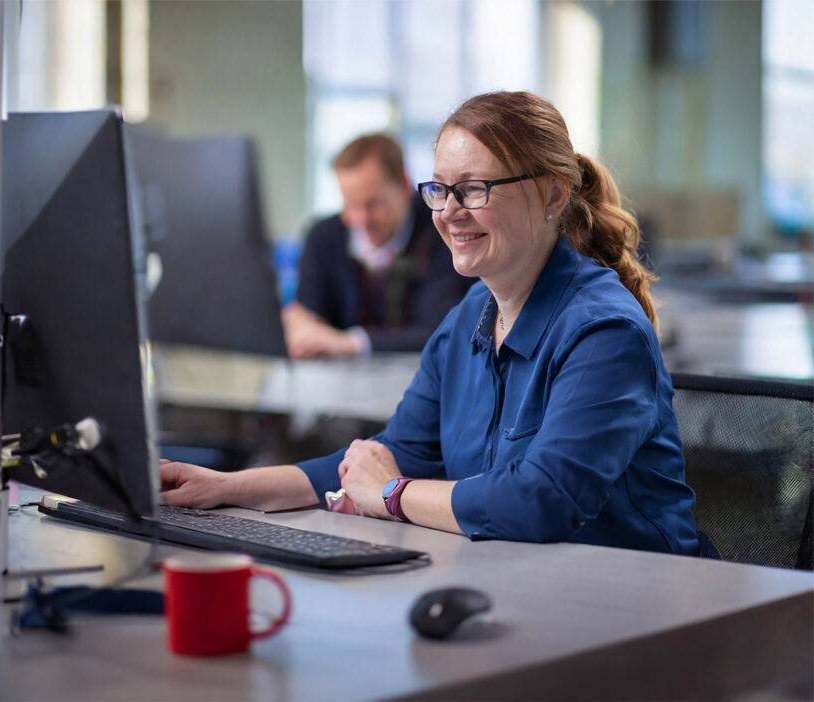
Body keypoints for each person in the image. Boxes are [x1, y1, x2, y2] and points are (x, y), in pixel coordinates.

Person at [161, 91, 700, 555]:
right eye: (439, 189)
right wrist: (225, 487)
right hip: (520, 581)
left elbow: (542, 500)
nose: (448, 212)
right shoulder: (470, 317)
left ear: (554, 194)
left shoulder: (604, 332)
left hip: (636, 596)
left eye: (474, 188)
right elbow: (392, 455)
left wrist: (391, 494)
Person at [281, 134, 472, 358]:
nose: (362, 220)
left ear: (404, 186)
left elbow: (441, 330)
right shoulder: (323, 237)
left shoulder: (444, 232)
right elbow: (311, 320)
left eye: (373, 204)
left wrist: (351, 344)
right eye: (350, 204)